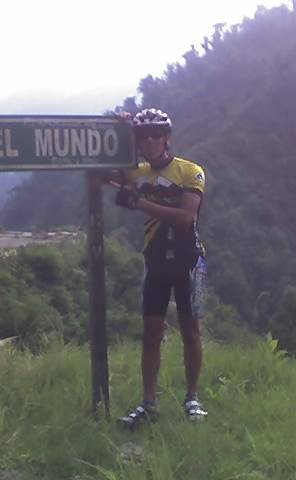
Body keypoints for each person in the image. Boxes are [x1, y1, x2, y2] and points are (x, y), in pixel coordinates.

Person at [110, 108, 208, 425]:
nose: (150, 141)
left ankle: (192, 398)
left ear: (167, 138)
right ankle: (148, 403)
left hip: (188, 260)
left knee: (190, 331)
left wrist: (138, 202)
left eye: (156, 134)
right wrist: (117, 130)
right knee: (151, 334)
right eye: (143, 136)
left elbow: (185, 218)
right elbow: (102, 174)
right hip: (155, 262)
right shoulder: (137, 173)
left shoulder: (190, 171)